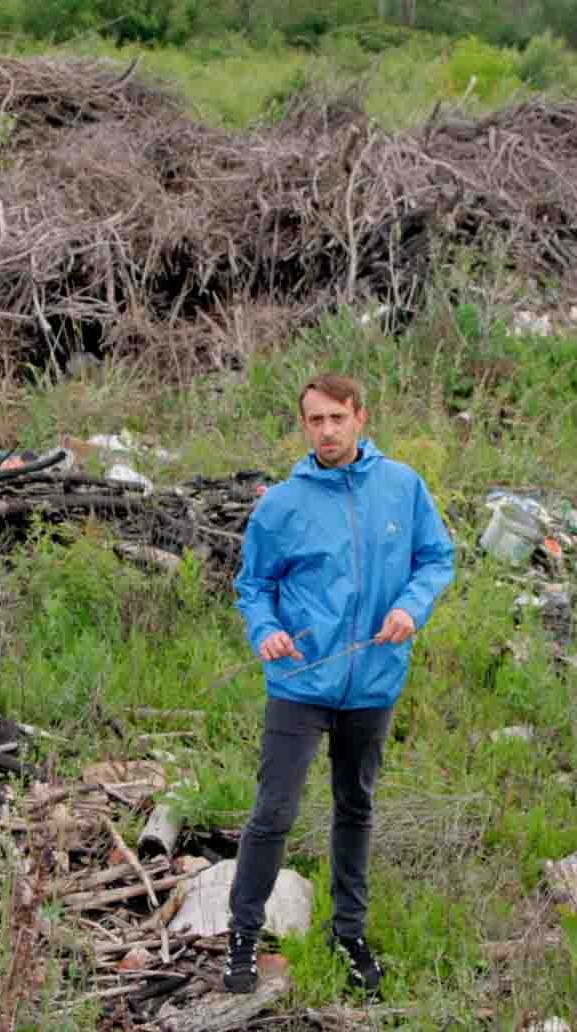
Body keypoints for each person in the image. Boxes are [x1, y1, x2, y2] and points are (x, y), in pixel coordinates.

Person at [225, 373, 455, 995]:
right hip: (299, 680)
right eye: (315, 420)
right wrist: (266, 630)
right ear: (303, 426)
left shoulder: (403, 487)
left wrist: (410, 607)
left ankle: (349, 935)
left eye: (337, 418)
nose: (327, 431)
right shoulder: (283, 504)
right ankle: (242, 937)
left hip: (374, 679)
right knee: (274, 811)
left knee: (355, 808)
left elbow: (436, 558)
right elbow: (253, 585)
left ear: (360, 418)